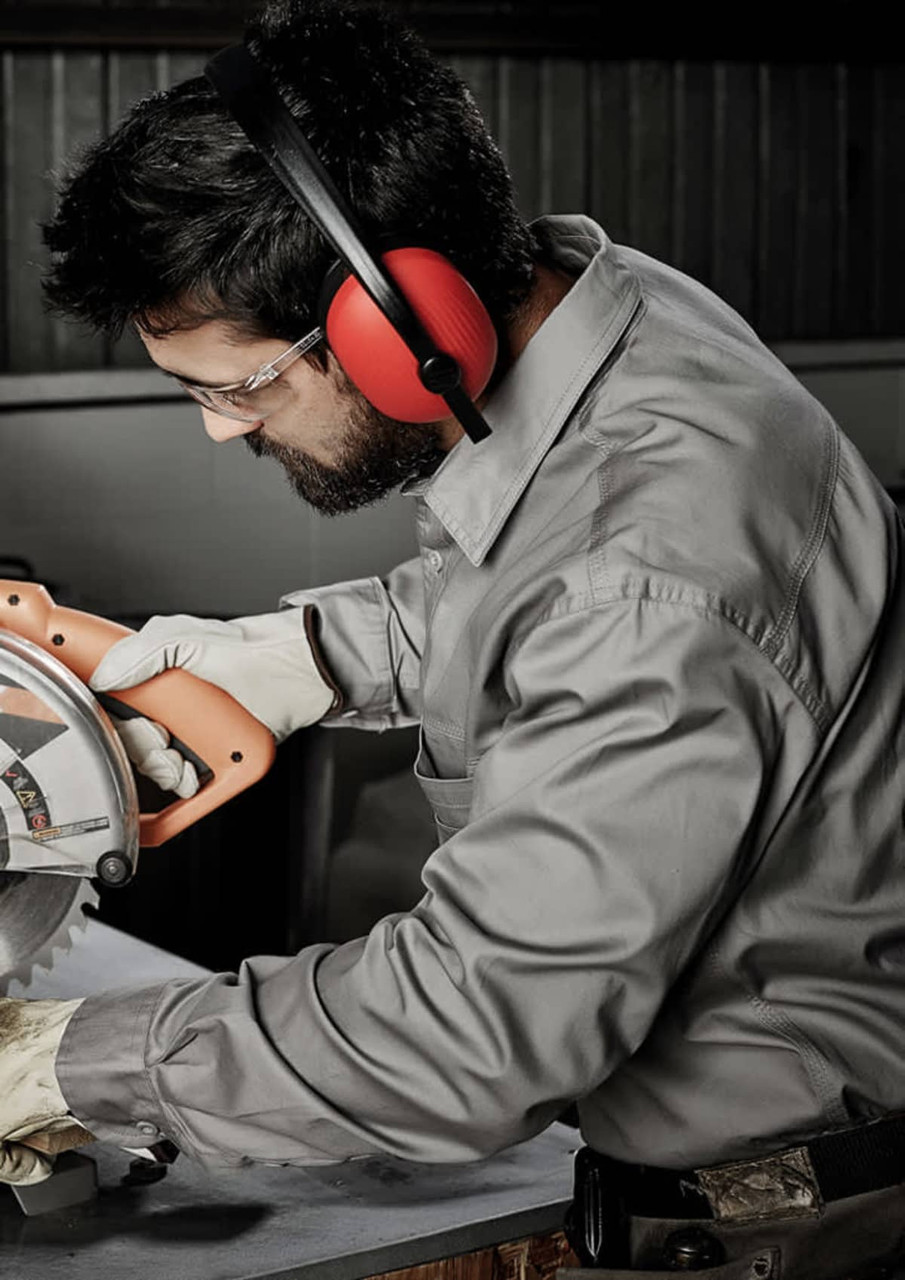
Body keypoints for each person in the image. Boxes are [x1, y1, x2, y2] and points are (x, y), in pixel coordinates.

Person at [2, 1, 904, 1274]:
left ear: (397, 330)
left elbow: (470, 1026)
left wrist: (62, 1057)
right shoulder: (615, 316)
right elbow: (540, 585)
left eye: (237, 384)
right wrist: (294, 657)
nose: (218, 428)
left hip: (783, 1228)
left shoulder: (652, 563)